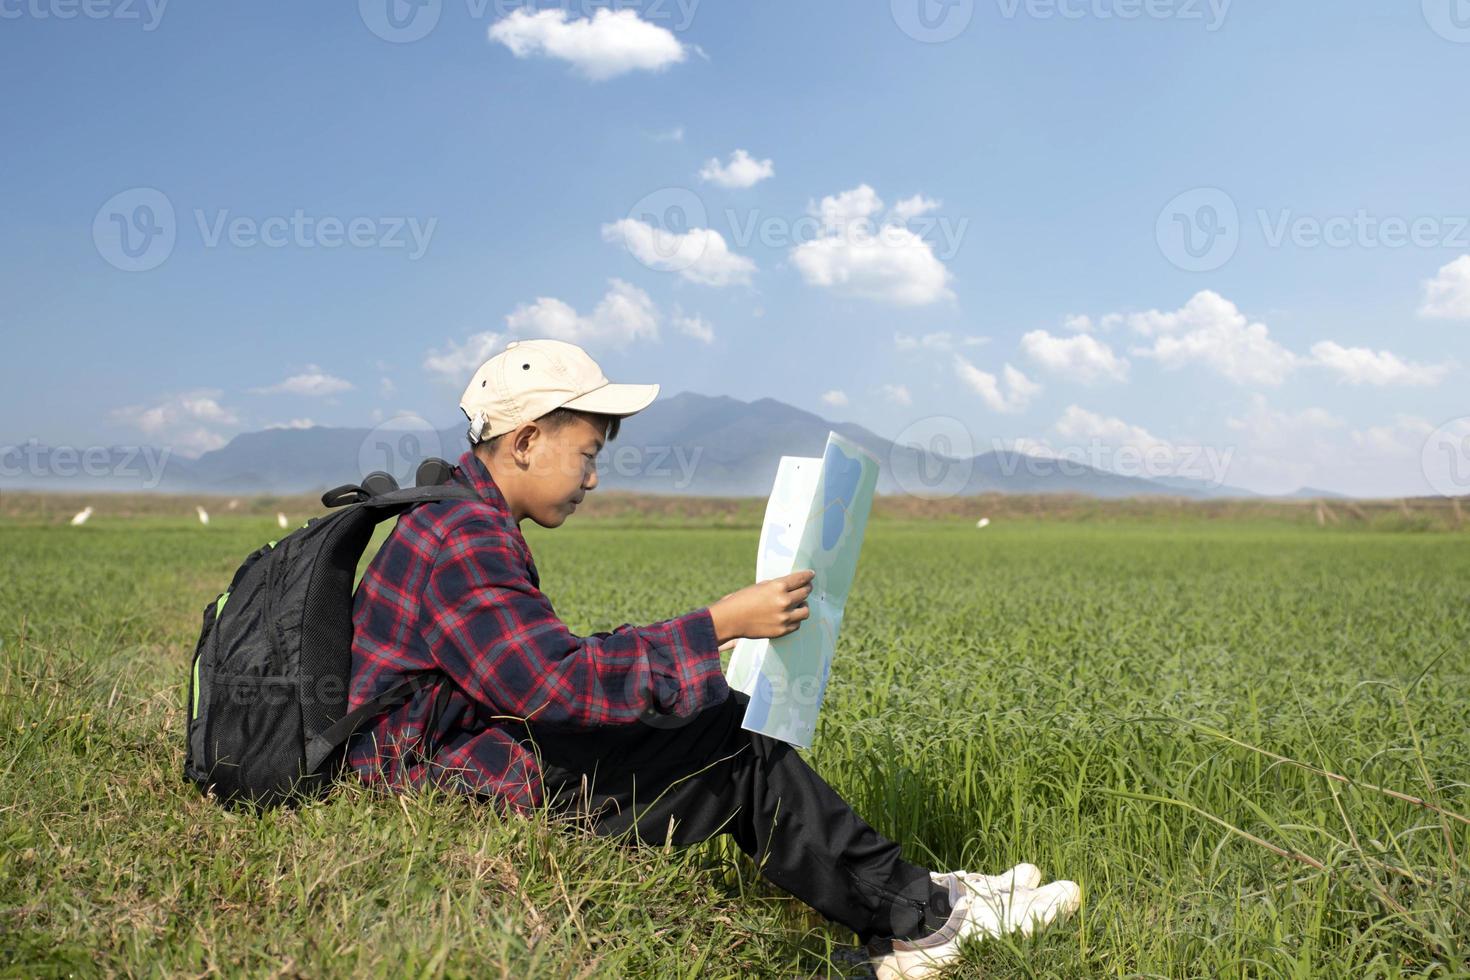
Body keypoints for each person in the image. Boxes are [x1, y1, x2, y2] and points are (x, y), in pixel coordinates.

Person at [345, 339, 1079, 977]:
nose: (594, 478)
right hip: (444, 788)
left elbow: (539, 669)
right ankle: (924, 921)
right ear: (529, 439)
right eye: (588, 454)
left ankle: (913, 899)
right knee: (728, 739)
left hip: (448, 758)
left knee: (712, 717)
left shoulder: (453, 516)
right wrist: (714, 624)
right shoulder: (466, 535)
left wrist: (712, 636)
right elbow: (554, 687)